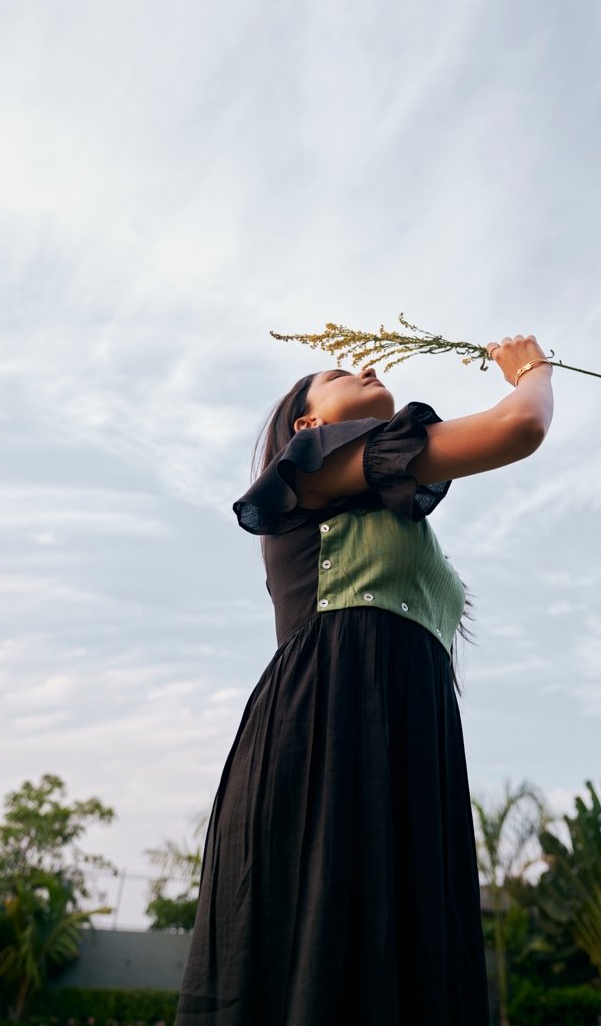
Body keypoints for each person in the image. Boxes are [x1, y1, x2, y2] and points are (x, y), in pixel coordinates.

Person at [175, 334, 554, 1026]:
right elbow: (519, 426)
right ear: (308, 424)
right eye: (342, 370)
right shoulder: (309, 467)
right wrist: (531, 369)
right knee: (320, 965)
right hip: (328, 734)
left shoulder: (379, 498)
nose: (369, 365)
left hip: (408, 748)